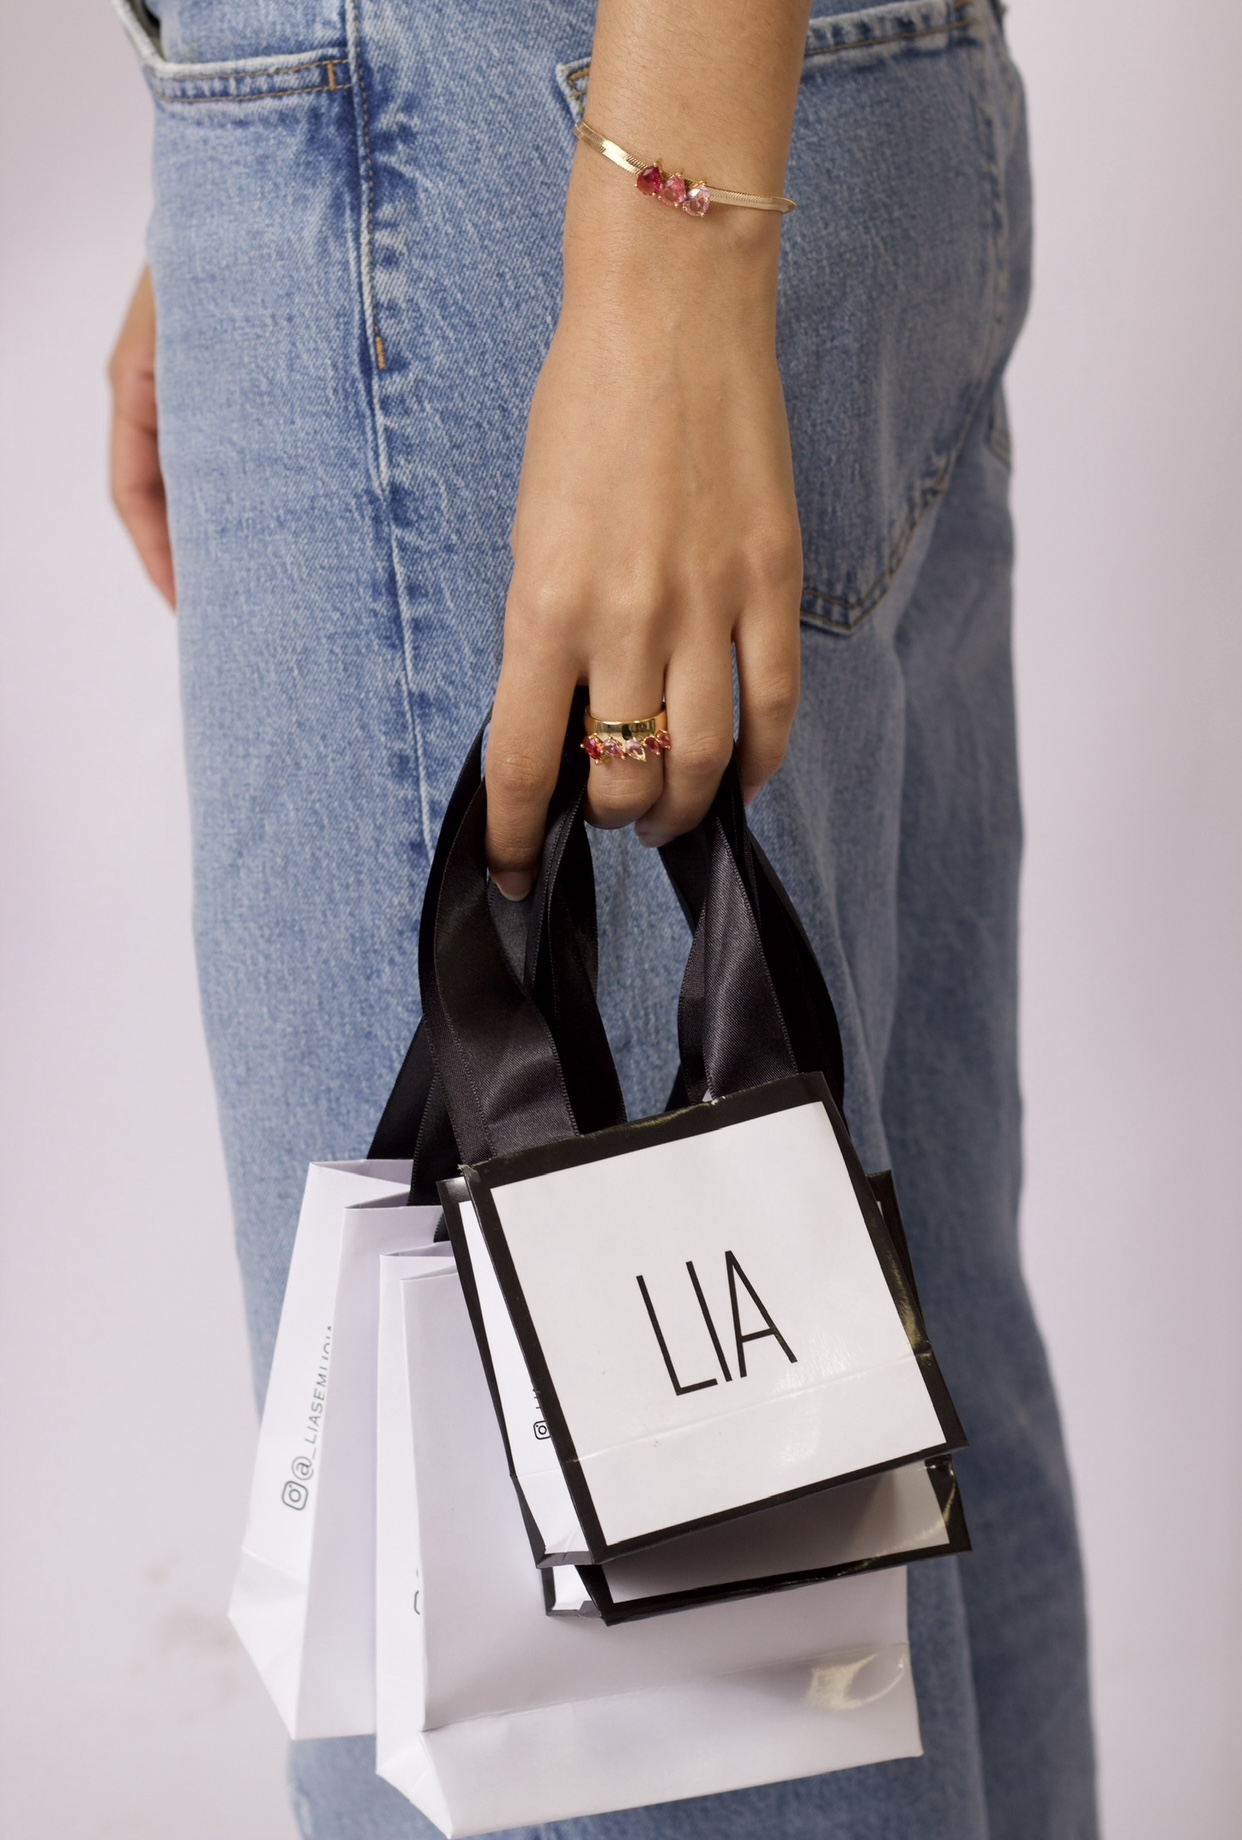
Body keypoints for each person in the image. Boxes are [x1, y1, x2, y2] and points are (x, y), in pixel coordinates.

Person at [108, 0, 1097, 1834]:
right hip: (693, 112)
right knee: (873, 1461)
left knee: (625, 1684)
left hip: (584, 176)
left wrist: (630, 249)